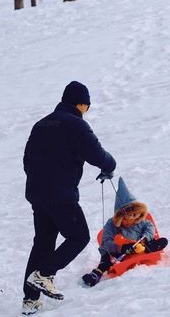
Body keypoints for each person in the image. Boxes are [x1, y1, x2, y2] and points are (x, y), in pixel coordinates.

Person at [22, 81, 116, 316]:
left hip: (37, 193)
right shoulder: (77, 126)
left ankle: (30, 301)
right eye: (88, 107)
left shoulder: (41, 124)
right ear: (82, 104)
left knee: (43, 242)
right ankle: (45, 274)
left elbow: (27, 159)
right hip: (60, 194)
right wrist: (109, 165)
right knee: (79, 236)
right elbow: (97, 155)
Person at [82, 177, 168, 287]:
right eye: (130, 215)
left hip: (139, 245)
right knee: (106, 258)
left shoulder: (141, 220)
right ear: (121, 216)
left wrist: (145, 238)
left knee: (162, 241)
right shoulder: (111, 225)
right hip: (121, 250)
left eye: (136, 213)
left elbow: (149, 226)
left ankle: (148, 249)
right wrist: (121, 248)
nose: (134, 217)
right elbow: (106, 242)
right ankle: (96, 274)